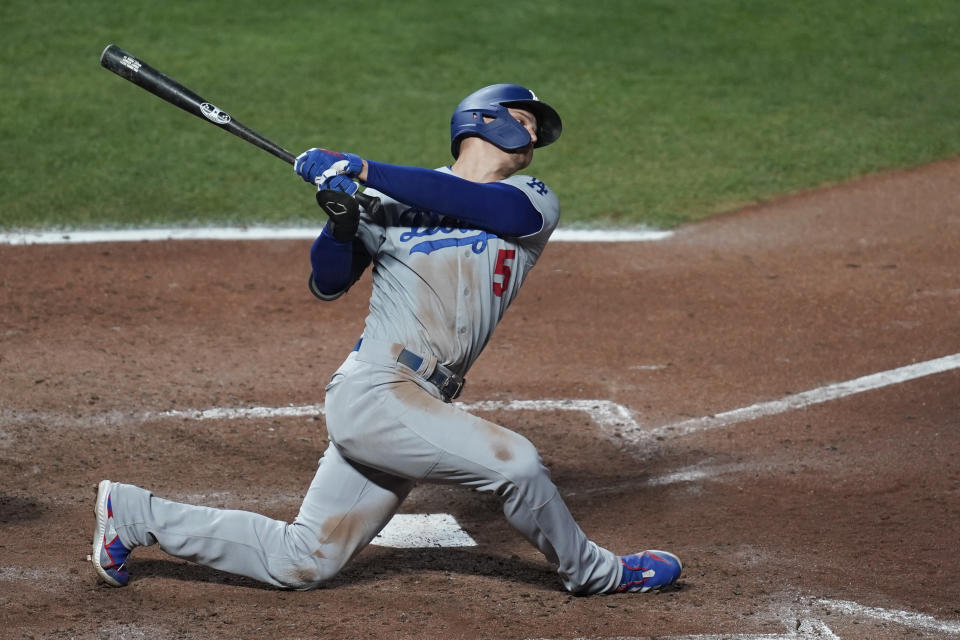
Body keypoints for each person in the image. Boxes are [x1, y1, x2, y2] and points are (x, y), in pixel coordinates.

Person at [90, 84, 682, 595]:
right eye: (523, 121)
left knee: (304, 560)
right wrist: (343, 219)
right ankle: (596, 574)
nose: (531, 138)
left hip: (422, 402)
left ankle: (135, 515)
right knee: (518, 465)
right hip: (378, 390)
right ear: (482, 120)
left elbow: (468, 201)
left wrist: (361, 168)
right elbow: (327, 282)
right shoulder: (390, 205)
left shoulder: (530, 199)